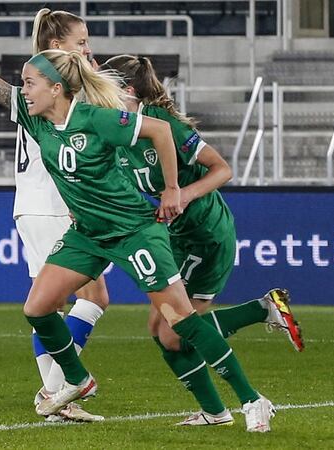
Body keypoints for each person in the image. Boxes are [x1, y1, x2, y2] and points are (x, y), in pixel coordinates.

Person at [0, 0, 276, 432]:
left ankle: (252, 399)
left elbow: (161, 130)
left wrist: (171, 189)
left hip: (133, 231)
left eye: (30, 82)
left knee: (179, 321)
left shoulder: (96, 119)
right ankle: (77, 380)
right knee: (37, 307)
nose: (24, 90)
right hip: (87, 233)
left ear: (56, 88)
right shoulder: (36, 121)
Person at [101, 54, 304, 426]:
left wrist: (183, 194)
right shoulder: (118, 132)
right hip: (177, 237)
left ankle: (260, 318)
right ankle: (215, 411)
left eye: (105, 86)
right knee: (161, 331)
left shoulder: (164, 126)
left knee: (175, 331)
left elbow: (222, 168)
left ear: (128, 92)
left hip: (206, 235)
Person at [19, 9, 108, 423]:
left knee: (49, 306)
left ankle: (56, 400)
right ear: (58, 47)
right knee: (92, 298)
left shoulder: (35, 86)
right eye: (82, 42)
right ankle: (53, 393)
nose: (88, 49)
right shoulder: (55, 90)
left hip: (31, 205)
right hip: (56, 206)